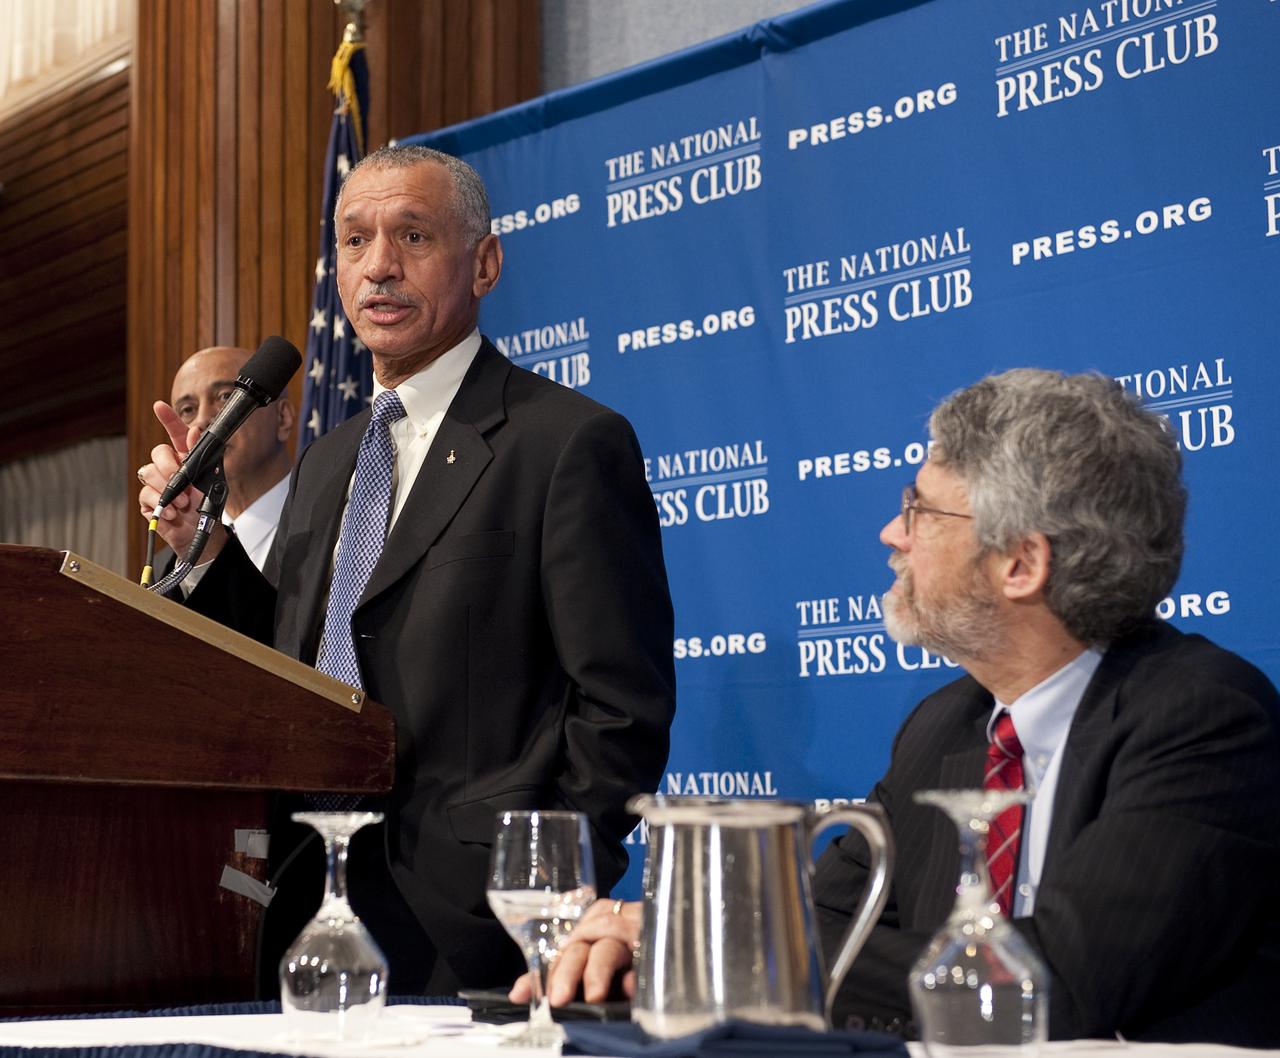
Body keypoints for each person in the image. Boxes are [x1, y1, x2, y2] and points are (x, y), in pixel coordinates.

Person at [523, 369, 1280, 1047]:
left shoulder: (1205, 719)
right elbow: (822, 931)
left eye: (919, 512)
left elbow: (1060, 984)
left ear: (1021, 564)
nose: (892, 535)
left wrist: (708, 946)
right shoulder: (943, 725)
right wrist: (672, 959)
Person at [136, 145, 676, 994]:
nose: (379, 266)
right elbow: (292, 661)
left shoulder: (564, 442)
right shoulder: (329, 461)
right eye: (354, 242)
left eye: (414, 235)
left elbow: (621, 707)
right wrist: (201, 549)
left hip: (474, 927)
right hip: (307, 901)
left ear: (485, 263)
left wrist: (540, 895)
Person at [164, 346, 294, 571]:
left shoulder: (334, 528)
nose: (202, 420)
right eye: (187, 410)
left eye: (226, 396)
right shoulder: (173, 565)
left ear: (283, 418)